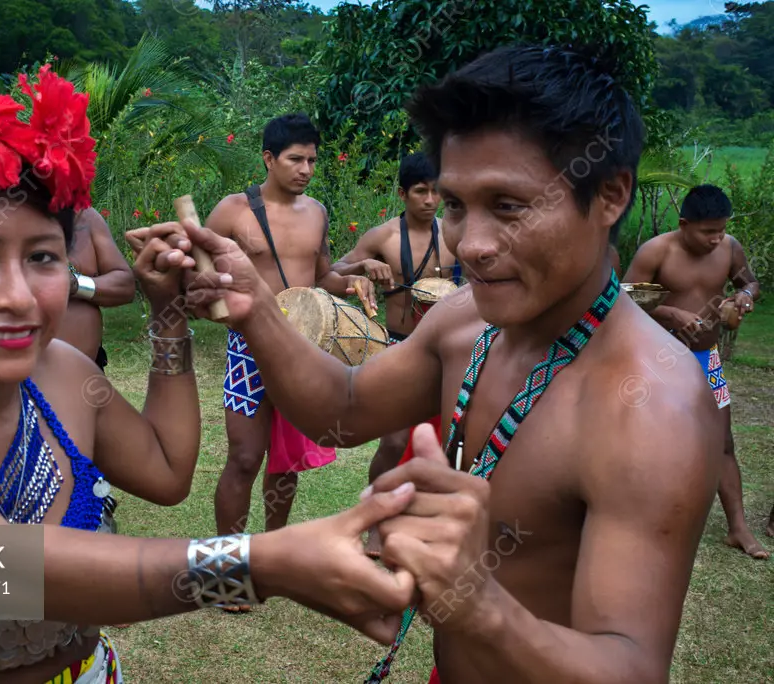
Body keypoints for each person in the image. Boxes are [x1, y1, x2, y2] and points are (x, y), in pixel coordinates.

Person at [0, 66, 423, 683]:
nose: (18, 295)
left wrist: (169, 313)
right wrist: (264, 564)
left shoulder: (62, 375)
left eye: (42, 257)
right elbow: (8, 569)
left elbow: (167, 471)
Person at [176, 45, 723, 683]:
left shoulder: (655, 407)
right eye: (458, 206)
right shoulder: (468, 319)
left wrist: (475, 600)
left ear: (609, 194)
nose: (474, 245)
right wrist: (255, 310)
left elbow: (630, 669)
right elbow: (344, 410)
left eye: (511, 206)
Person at [204, 113, 377, 563]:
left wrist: (354, 281)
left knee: (285, 462)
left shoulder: (317, 212)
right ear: (268, 158)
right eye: (295, 159)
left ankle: (272, 556)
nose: (306, 169)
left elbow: (322, 276)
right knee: (245, 457)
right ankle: (226, 564)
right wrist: (215, 304)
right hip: (249, 347)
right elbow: (198, 269)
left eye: (312, 160)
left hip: (304, 347)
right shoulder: (233, 210)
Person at [623, 184, 767, 559]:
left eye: (721, 230)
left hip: (707, 360)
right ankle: (638, 524)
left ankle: (738, 528)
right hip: (656, 361)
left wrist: (745, 296)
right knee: (648, 442)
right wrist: (671, 313)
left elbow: (750, 281)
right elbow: (621, 298)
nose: (716, 239)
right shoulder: (656, 251)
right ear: (685, 224)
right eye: (708, 232)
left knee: (723, 440)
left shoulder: (729, 247)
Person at [331, 151, 460, 557]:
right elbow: (334, 272)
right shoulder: (384, 236)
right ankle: (373, 524)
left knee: (450, 445)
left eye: (436, 191)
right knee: (394, 441)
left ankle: (429, 530)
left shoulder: (455, 233)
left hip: (452, 351)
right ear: (403, 193)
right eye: (420, 191)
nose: (430, 199)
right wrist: (365, 267)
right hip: (402, 345)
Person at [55, 207, 136, 371]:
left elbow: (125, 286)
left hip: (88, 376)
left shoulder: (86, 217)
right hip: (22, 380)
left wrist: (76, 284)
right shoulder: (7, 215)